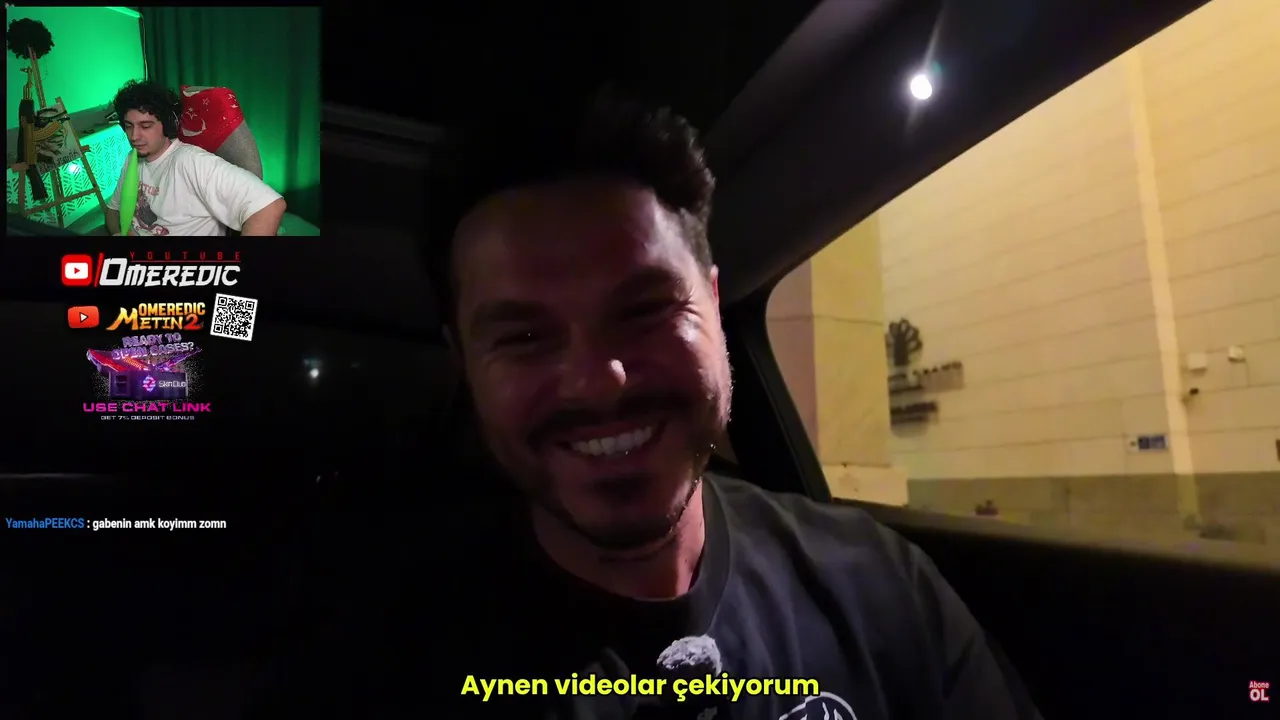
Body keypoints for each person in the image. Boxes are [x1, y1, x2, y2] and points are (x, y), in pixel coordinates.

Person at [253, 90, 1043, 720]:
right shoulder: (377, 666)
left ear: (715, 306)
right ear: (464, 365)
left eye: (644, 310)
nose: (600, 382)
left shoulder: (878, 584)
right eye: (523, 336)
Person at [104, 80, 286, 236]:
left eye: (145, 126)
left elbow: (270, 207)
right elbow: (113, 209)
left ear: (168, 124)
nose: (134, 136)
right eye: (129, 126)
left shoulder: (192, 161)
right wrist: (118, 233)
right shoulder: (132, 158)